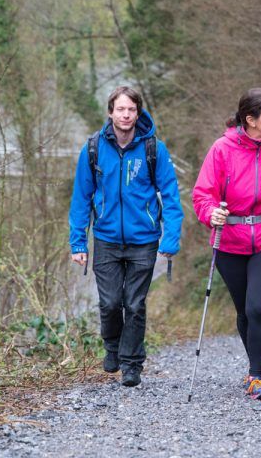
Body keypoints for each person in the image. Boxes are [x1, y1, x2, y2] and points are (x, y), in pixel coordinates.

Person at [192, 88, 261, 401]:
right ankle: (259, 362)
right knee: (244, 310)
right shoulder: (222, 149)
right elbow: (202, 194)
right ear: (250, 120)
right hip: (230, 240)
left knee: (259, 306)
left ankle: (257, 376)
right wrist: (210, 213)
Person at [69, 86, 184, 388]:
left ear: (138, 112)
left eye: (131, 109)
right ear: (110, 112)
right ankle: (112, 347)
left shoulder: (153, 148)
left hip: (144, 239)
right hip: (106, 238)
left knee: (134, 304)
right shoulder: (93, 148)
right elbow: (81, 197)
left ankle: (132, 364)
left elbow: (171, 195)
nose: (125, 115)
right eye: (120, 109)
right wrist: (78, 241)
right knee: (109, 303)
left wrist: (170, 239)